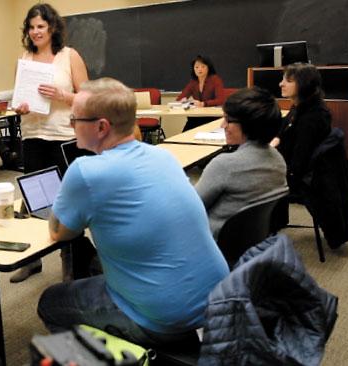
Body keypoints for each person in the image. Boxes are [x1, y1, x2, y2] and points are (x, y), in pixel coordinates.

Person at [37, 78, 229, 346]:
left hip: (168, 321)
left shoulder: (85, 171)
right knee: (94, 263)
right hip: (221, 300)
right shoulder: (162, 156)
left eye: (75, 119)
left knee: (50, 302)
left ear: (101, 127)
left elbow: (59, 232)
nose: (72, 125)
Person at [10, 3, 89, 283]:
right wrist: (18, 106)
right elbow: (21, 96)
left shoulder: (69, 56)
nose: (35, 32)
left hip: (63, 137)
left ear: (52, 27)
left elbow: (88, 97)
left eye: (40, 26)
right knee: (35, 202)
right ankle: (32, 260)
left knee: (66, 204)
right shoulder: (25, 58)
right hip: (32, 135)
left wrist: (62, 95)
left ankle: (71, 261)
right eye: (31, 27)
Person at [194, 87, 288, 237]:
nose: (222, 125)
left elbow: (192, 207)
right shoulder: (278, 159)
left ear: (249, 125)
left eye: (228, 120)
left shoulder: (225, 165)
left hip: (213, 243)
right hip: (251, 242)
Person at [272, 63, 331, 197]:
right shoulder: (298, 106)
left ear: (304, 84)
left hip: (295, 178)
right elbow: (282, 132)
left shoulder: (313, 116)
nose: (281, 84)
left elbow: (299, 159)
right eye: (283, 79)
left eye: (288, 80)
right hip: (285, 166)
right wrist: (275, 140)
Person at [177, 55, 226, 131]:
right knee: (183, 136)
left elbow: (220, 100)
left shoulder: (215, 80)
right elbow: (180, 98)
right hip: (196, 117)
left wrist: (203, 104)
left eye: (203, 66)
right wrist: (184, 101)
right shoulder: (193, 82)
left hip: (212, 117)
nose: (199, 69)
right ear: (193, 69)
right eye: (196, 67)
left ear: (208, 68)